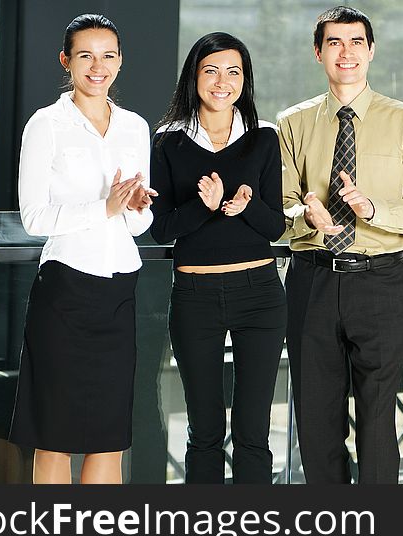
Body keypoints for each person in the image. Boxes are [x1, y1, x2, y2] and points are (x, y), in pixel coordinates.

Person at [277, 5, 403, 484]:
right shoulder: (292, 123)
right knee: (316, 417)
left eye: (355, 43)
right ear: (318, 52)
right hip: (312, 281)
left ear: (371, 51)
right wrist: (305, 215)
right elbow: (281, 208)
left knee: (377, 416)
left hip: (381, 281)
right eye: (334, 43)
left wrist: (373, 211)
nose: (345, 53)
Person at [9, 13, 155, 484]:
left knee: (109, 436)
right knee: (56, 435)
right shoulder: (46, 124)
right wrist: (104, 207)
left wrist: (133, 206)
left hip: (120, 290)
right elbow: (33, 218)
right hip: (65, 291)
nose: (98, 66)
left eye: (108, 55)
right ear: (66, 61)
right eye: (86, 56)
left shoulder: (134, 126)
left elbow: (137, 223)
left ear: (120, 62)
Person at [150, 32, 286, 484]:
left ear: (244, 81)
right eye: (211, 70)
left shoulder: (265, 138)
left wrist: (247, 207)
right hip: (195, 295)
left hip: (260, 294)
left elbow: (276, 228)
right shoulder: (168, 142)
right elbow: (162, 229)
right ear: (194, 76)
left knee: (253, 431)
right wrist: (202, 207)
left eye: (233, 72)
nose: (222, 81)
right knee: (203, 429)